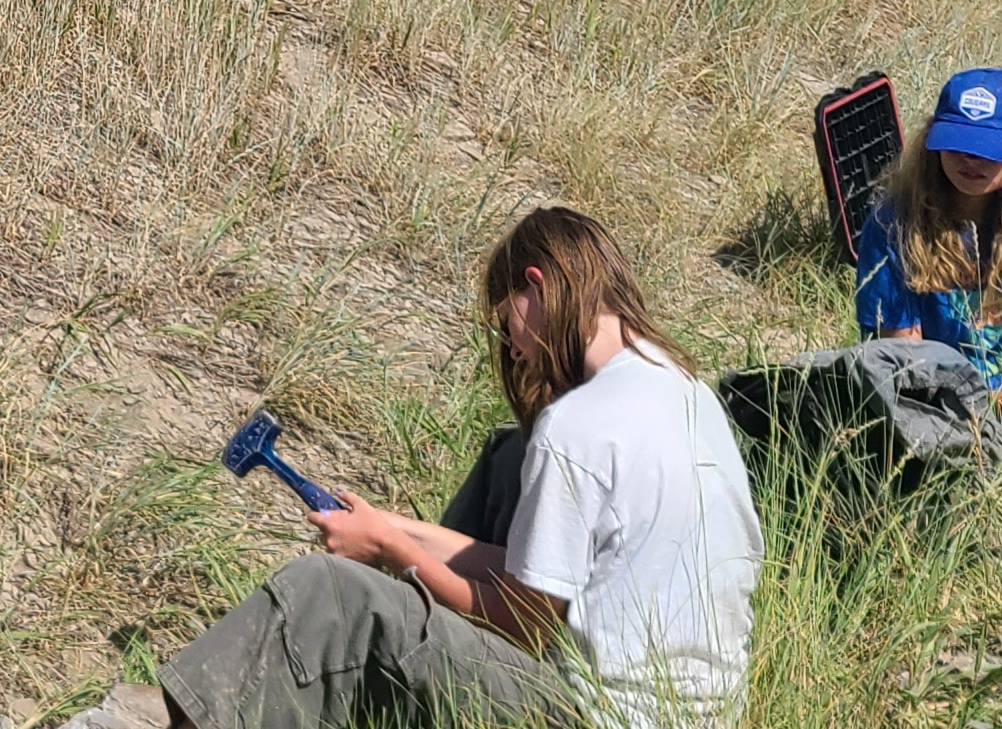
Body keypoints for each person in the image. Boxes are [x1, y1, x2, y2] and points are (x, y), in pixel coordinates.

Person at [69, 207, 763, 729]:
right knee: (504, 459)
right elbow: (555, 584)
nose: (513, 350)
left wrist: (390, 552)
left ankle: (154, 720)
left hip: (589, 716)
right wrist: (395, 528)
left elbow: (525, 624)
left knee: (327, 593)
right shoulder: (687, 394)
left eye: (506, 326)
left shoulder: (576, 428)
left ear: (535, 285)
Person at [855, 67, 1002, 421]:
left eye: (988, 151)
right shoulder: (894, 225)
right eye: (958, 145)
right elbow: (905, 367)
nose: (970, 160)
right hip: (927, 412)